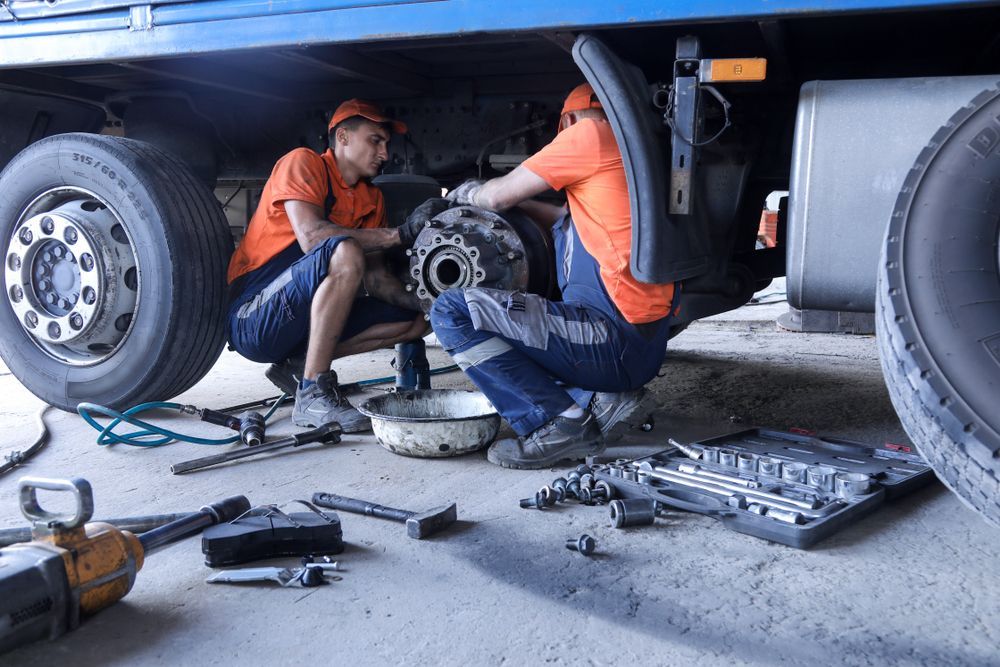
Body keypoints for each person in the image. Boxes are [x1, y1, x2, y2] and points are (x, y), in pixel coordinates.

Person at [430, 84, 677, 469]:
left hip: (607, 339)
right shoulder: (632, 162)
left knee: (452, 311)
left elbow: (495, 197)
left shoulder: (590, 133)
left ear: (568, 121)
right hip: (638, 348)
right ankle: (600, 395)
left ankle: (559, 423)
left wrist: (467, 194)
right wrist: (521, 203)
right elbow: (565, 218)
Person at [226, 99, 436, 432]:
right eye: (375, 140)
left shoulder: (372, 198)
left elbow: (379, 279)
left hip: (302, 321)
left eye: (386, 144)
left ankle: (300, 365)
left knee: (416, 320)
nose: (385, 153)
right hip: (254, 315)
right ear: (343, 137)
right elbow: (312, 238)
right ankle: (312, 393)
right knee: (344, 250)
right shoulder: (303, 163)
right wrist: (400, 234)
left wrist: (429, 302)